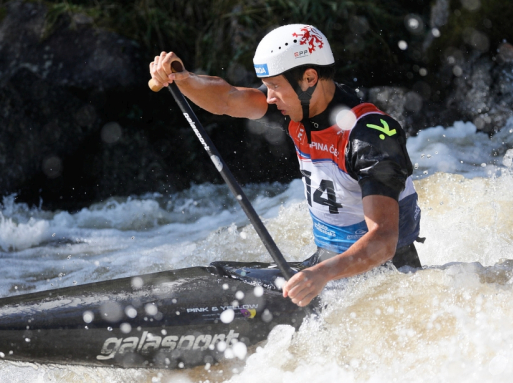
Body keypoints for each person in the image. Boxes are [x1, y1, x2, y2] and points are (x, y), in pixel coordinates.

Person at [149, 24, 422, 308]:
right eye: (267, 86)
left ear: (309, 78)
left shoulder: (369, 137)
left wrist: (321, 275)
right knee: (222, 275)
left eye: (275, 86)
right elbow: (228, 99)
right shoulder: (297, 109)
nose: (268, 97)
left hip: (382, 282)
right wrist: (183, 79)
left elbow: (384, 240)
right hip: (325, 267)